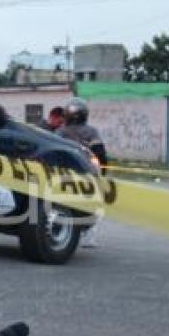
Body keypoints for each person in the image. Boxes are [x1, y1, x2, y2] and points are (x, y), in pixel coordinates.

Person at [56, 97, 107, 248]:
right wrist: (103, 171)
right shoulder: (90, 131)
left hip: (68, 171)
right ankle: (88, 233)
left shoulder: (61, 131)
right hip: (84, 172)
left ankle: (74, 230)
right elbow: (101, 153)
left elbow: (100, 153)